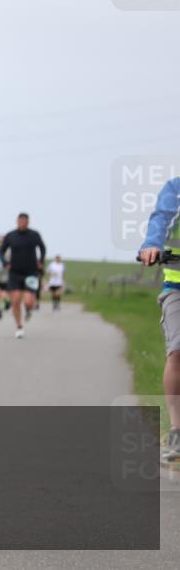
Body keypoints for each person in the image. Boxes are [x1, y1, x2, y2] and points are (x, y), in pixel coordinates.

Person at [137, 176, 180, 463]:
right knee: (177, 353)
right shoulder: (175, 188)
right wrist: (152, 244)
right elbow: (161, 218)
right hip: (178, 285)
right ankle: (178, 430)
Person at [0, 213, 46, 338]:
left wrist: (41, 261)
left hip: (31, 273)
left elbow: (42, 248)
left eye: (25, 221)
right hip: (15, 272)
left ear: (28, 222)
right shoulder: (11, 236)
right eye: (20, 221)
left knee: (29, 302)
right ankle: (19, 326)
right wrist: (5, 263)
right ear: (17, 221)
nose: (22, 223)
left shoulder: (34, 235)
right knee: (15, 301)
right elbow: (1, 251)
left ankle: (29, 310)